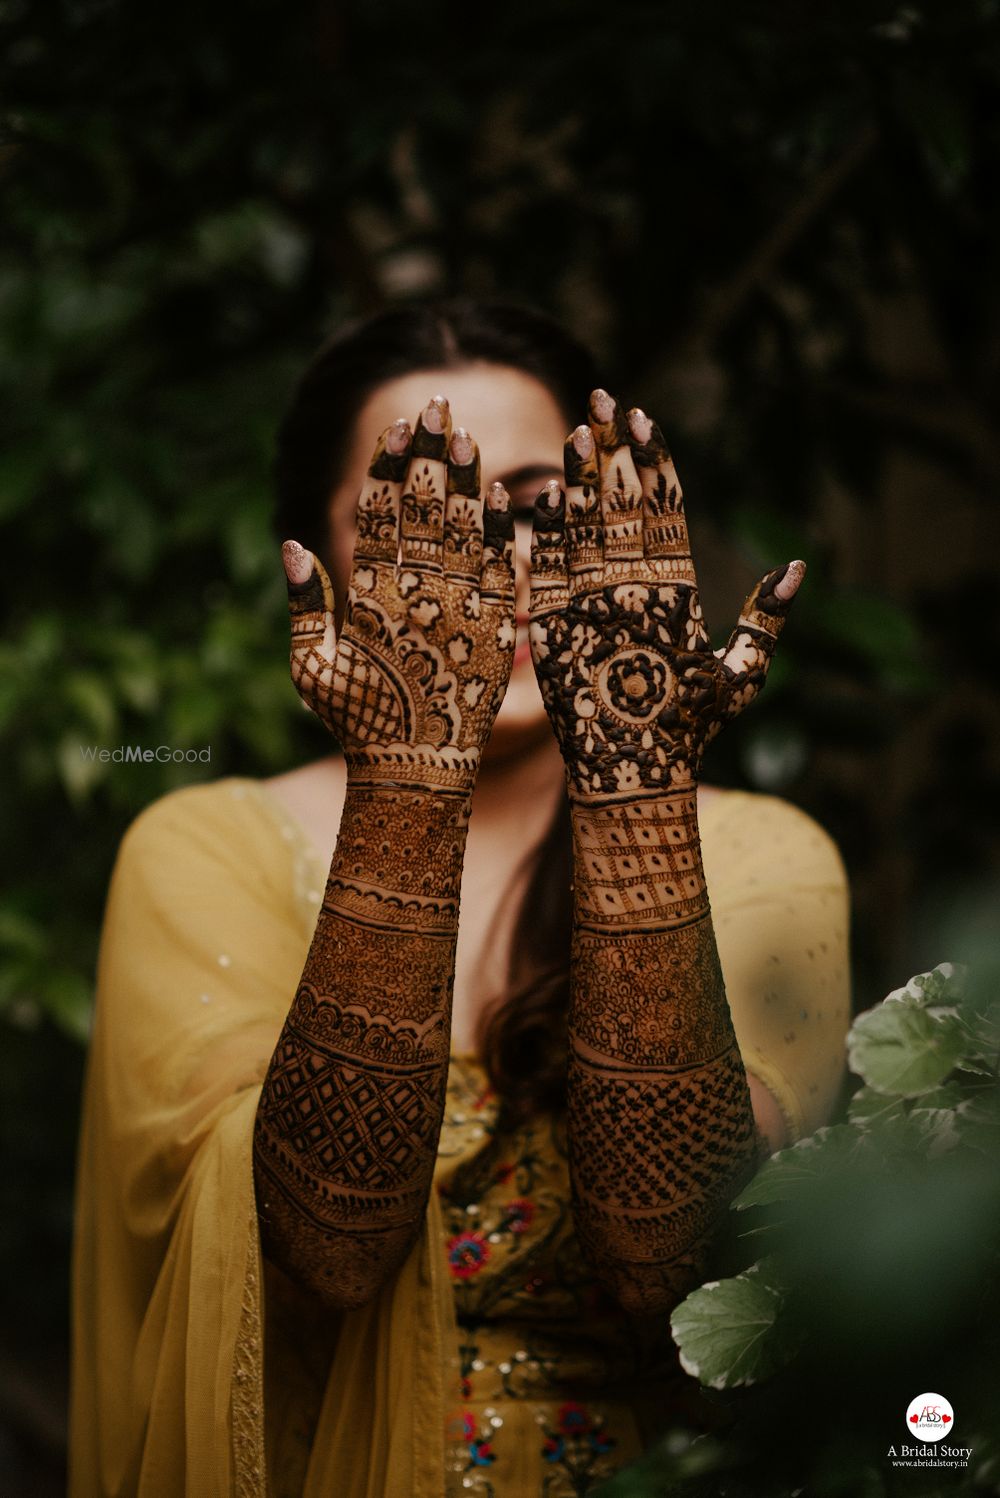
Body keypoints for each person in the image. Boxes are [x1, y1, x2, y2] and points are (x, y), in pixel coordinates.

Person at [69, 300, 851, 1498]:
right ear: (319, 570)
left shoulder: (761, 852)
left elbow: (676, 1260)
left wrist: (636, 782)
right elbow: (327, 1252)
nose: (503, 566)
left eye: (543, 510)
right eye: (432, 519)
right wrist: (407, 770)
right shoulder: (199, 848)